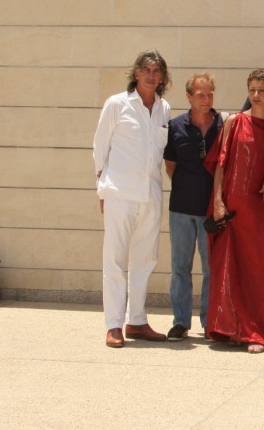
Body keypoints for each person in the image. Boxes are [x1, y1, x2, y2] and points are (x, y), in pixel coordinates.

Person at [93, 50, 172, 348]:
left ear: (162, 77)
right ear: (136, 73)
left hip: (150, 194)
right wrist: (101, 188)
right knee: (114, 260)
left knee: (145, 259)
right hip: (119, 193)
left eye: (156, 71)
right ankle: (113, 324)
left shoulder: (164, 108)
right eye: (146, 70)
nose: (151, 76)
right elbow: (100, 147)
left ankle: (136, 320)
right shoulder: (117, 104)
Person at [206, 69, 264, 352]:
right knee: (231, 268)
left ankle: (260, 332)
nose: (256, 95)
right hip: (232, 210)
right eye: (251, 90)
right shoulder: (233, 122)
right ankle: (231, 328)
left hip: (263, 210)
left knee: (261, 271)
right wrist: (218, 201)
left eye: (262, 90)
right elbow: (220, 165)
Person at [163, 73, 223, 341]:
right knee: (180, 267)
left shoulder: (223, 124)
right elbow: (170, 167)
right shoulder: (175, 126)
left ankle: (210, 322)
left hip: (211, 212)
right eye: (201, 94)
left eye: (210, 94)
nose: (206, 99)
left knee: (212, 268)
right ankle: (180, 322)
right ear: (189, 96)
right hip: (181, 210)